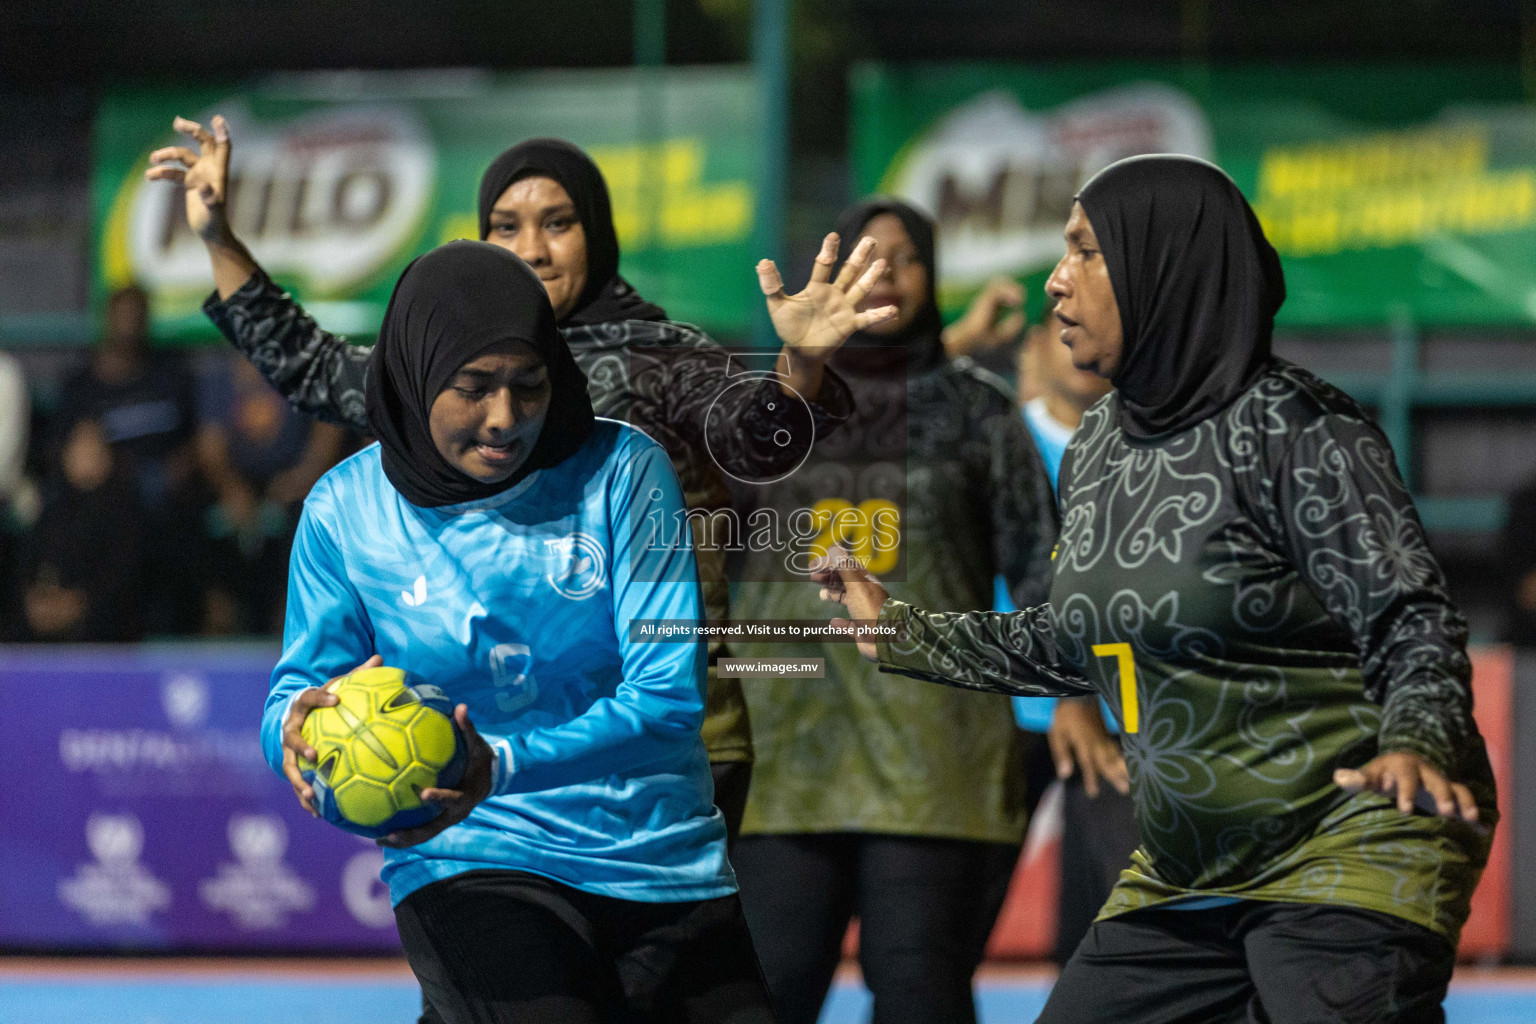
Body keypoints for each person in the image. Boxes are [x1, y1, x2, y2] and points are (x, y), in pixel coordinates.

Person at [814, 155, 1496, 1024]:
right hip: (1186, 868)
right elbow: (1073, 640)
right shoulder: (1100, 442)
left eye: (1087, 252)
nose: (1057, 281)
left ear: (1162, 268)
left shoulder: (1299, 430)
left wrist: (1418, 744)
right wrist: (901, 629)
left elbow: (1413, 622)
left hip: (1349, 843)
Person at [149, 116, 865, 849]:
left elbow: (759, 435)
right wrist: (216, 236)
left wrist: (801, 366)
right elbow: (311, 365)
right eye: (506, 225)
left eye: (559, 223)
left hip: (661, 746)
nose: (531, 248)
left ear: (599, 232)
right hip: (493, 749)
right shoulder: (441, 361)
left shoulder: (659, 355)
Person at [265, 240, 775, 1024]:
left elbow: (669, 698)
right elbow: (296, 693)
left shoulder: (624, 471)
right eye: (473, 389)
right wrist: (289, 736)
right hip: (470, 856)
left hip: (659, 858)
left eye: (528, 386)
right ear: (416, 374)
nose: (505, 419)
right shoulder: (346, 510)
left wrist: (496, 763)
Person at [728, 198, 1059, 1024]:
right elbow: (721, 507)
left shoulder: (977, 407)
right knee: (763, 992)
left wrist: (1079, 701)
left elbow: (1040, 567)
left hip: (932, 755)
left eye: (907, 256)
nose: (887, 272)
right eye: (865, 256)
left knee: (920, 994)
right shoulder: (767, 401)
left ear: (934, 275)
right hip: (783, 750)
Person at [1013, 306, 1137, 964]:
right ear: (1036, 345)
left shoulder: (1147, 451)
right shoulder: (1002, 441)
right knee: (942, 928)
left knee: (1113, 924)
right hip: (1005, 711)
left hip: (1114, 716)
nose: (1077, 344)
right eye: (1059, 331)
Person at [52, 284, 202, 633]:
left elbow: (200, 441)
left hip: (168, 491)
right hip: (107, 497)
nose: (129, 325)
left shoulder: (171, 375)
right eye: (122, 316)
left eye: (137, 317)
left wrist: (180, 467)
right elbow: (67, 456)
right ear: (106, 320)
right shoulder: (82, 386)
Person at [196, 353, 347, 634]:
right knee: (197, 517)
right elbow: (210, 447)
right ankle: (217, 621)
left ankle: (289, 625)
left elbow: (328, 429)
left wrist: (303, 477)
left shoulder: (306, 367)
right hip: (239, 480)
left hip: (294, 481)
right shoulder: (219, 373)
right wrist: (231, 488)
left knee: (312, 517)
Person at [20, 417, 146, 642]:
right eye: (78, 444)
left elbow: (125, 575)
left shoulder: (126, 512)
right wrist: (36, 601)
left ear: (107, 455)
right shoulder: (52, 511)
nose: (84, 453)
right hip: (45, 618)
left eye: (92, 445)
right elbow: (29, 564)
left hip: (101, 623)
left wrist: (77, 605)